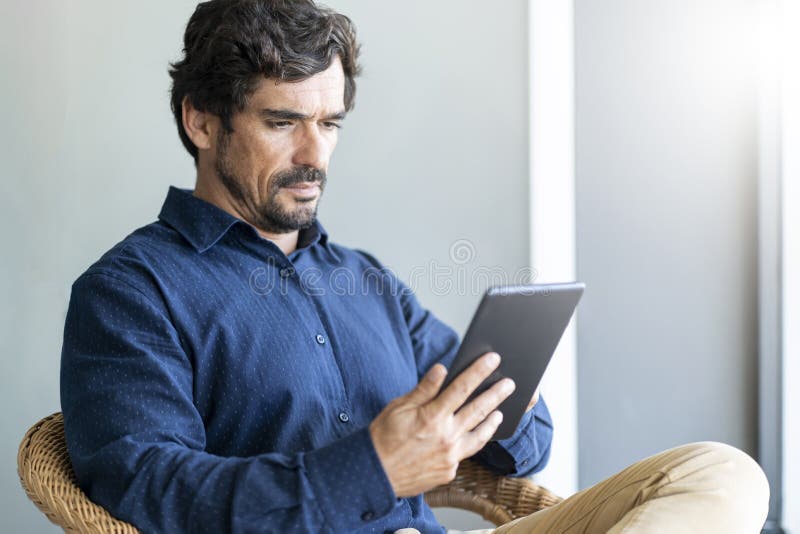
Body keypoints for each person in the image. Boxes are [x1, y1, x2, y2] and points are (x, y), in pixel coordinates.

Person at [60, 1, 770, 532]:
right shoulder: (129, 293)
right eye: (283, 122)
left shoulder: (366, 281)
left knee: (718, 473)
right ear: (202, 121)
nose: (315, 155)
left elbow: (527, 451)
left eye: (330, 123)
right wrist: (371, 469)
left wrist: (493, 408)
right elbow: (150, 489)